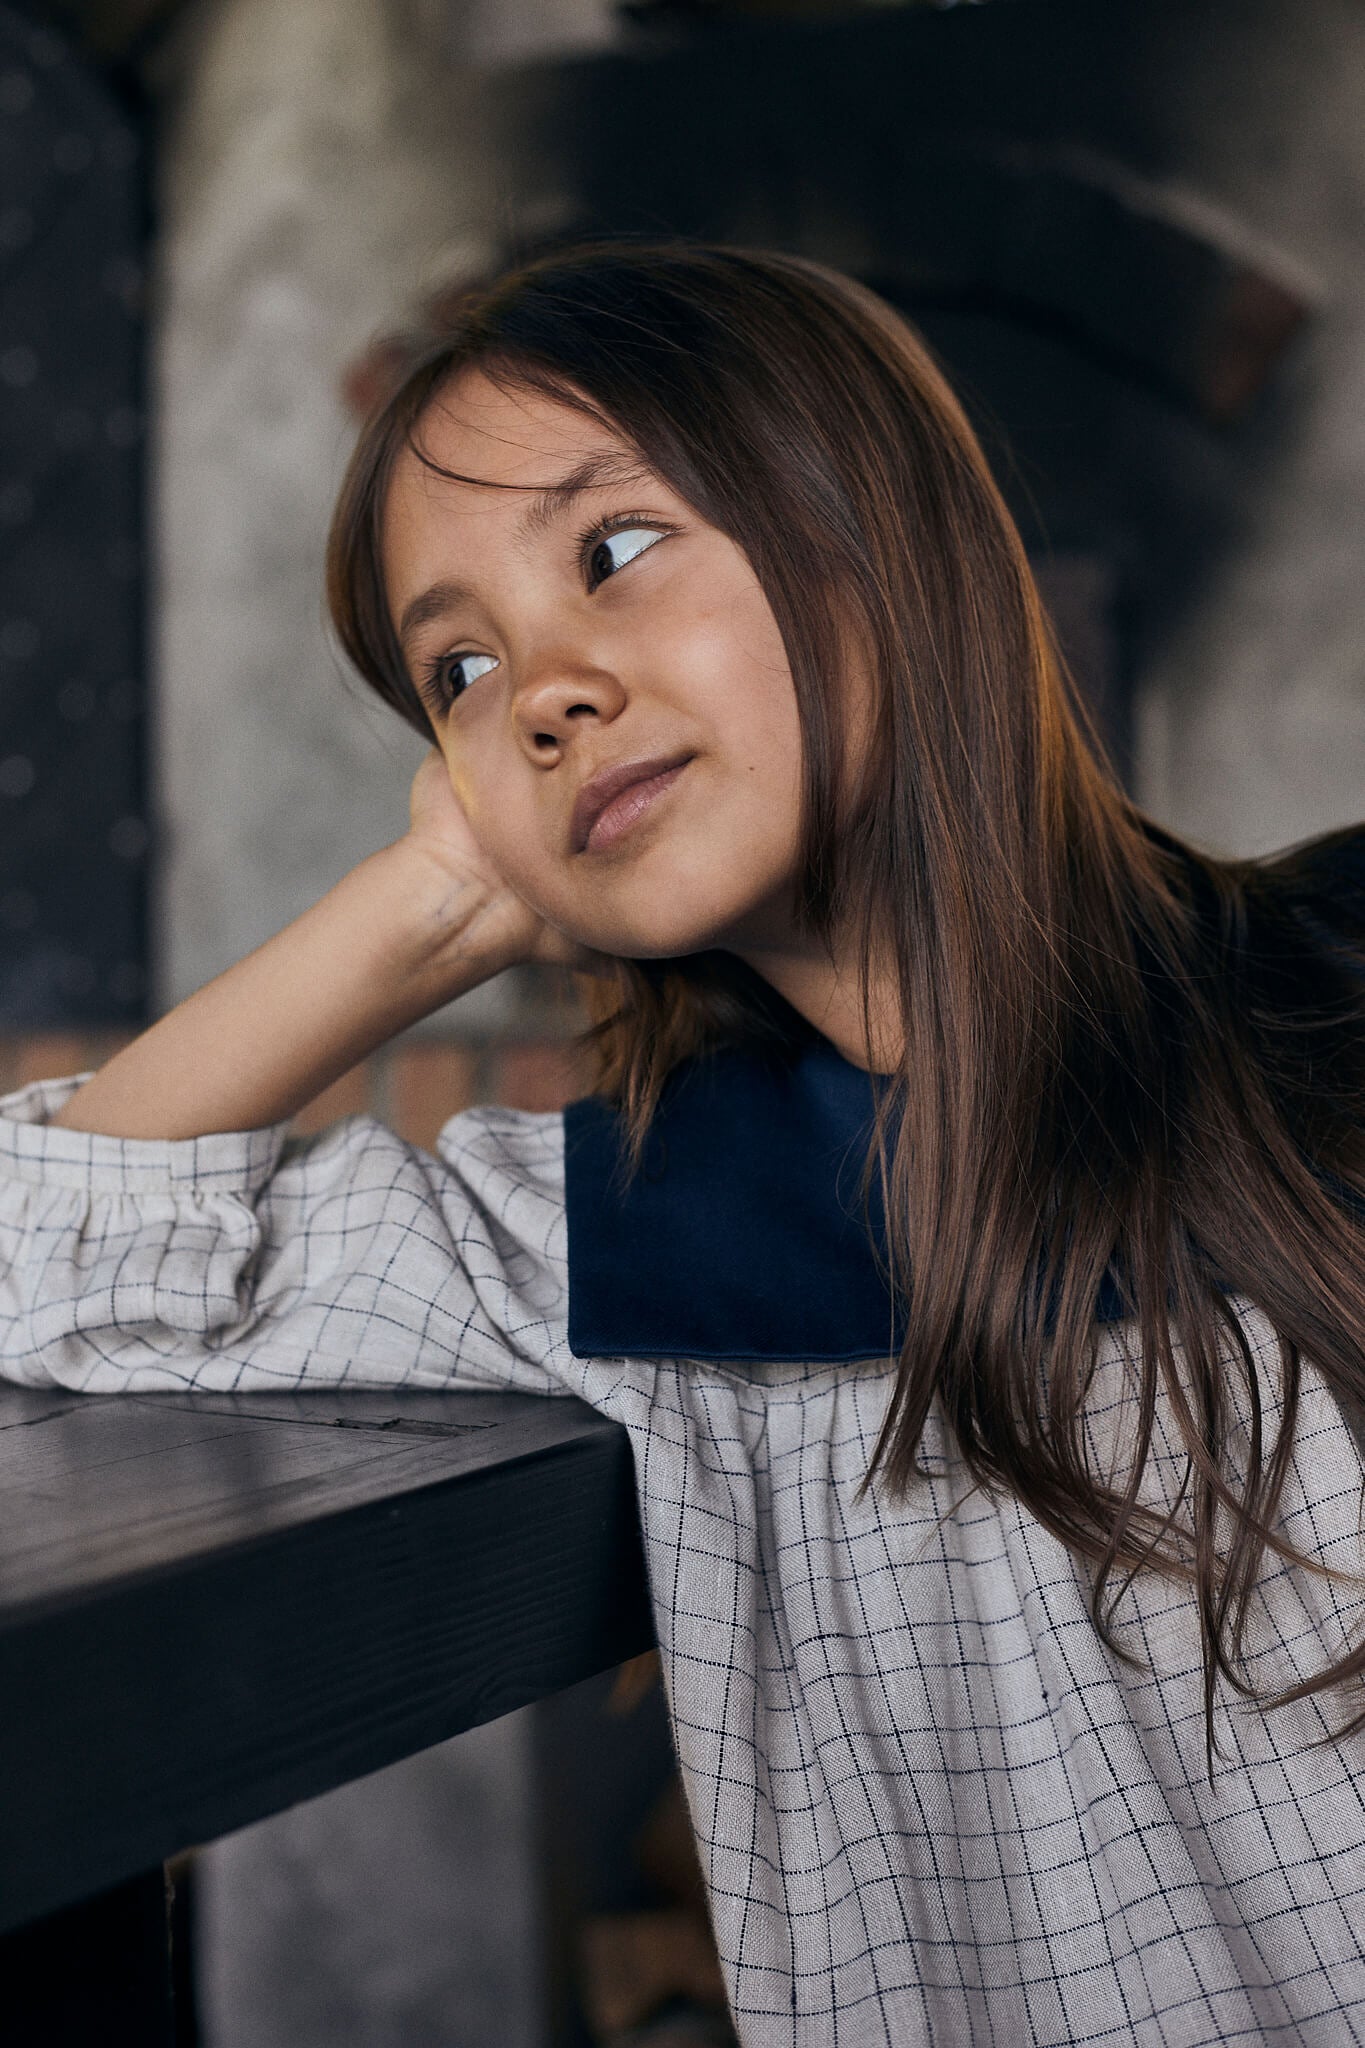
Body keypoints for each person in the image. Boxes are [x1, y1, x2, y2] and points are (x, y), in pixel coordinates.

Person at [4, 242, 1365, 2046]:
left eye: (616, 552)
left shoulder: (1339, 985)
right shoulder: (626, 1240)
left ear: (876, 530)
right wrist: (431, 896)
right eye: (461, 673)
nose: (544, 692)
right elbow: (55, 1246)